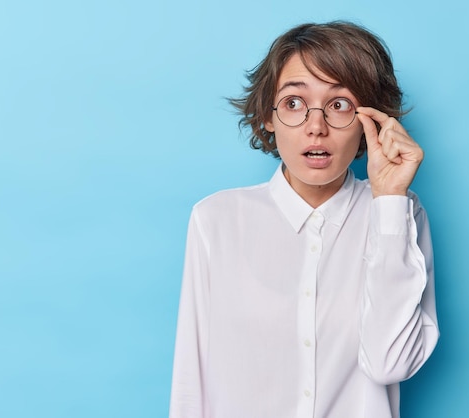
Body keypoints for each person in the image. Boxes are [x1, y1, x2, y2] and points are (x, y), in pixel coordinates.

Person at [169, 21, 439, 418]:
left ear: (372, 122)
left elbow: (390, 364)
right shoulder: (216, 220)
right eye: (294, 103)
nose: (316, 127)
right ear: (268, 116)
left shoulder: (401, 213)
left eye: (339, 104)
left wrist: (390, 203)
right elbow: (191, 379)